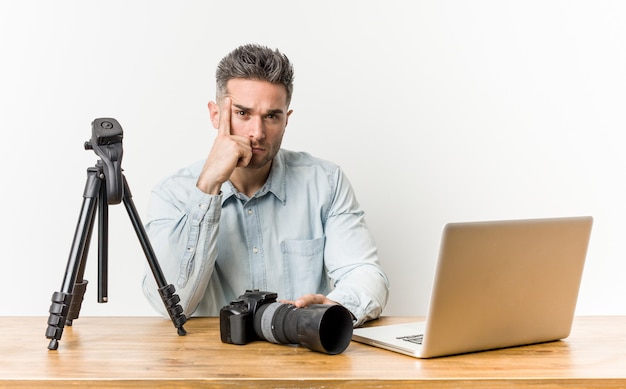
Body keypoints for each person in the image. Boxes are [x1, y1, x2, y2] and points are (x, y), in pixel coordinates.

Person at [142, 43, 389, 326]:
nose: (256, 133)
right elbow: (174, 305)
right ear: (215, 115)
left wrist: (338, 308)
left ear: (286, 120)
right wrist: (209, 186)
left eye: (272, 116)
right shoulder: (172, 194)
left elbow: (364, 272)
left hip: (299, 354)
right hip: (209, 361)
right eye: (243, 113)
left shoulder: (325, 182)